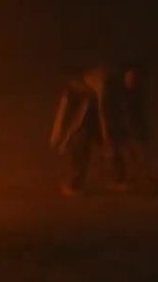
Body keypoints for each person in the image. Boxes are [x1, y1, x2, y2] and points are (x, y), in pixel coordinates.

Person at [50, 63, 149, 195]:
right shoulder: (102, 85)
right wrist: (59, 135)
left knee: (112, 140)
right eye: (132, 78)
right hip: (88, 111)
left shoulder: (124, 88)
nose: (134, 82)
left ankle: (119, 178)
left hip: (96, 109)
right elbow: (101, 110)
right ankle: (75, 182)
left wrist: (135, 137)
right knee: (83, 138)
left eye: (137, 79)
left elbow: (130, 114)